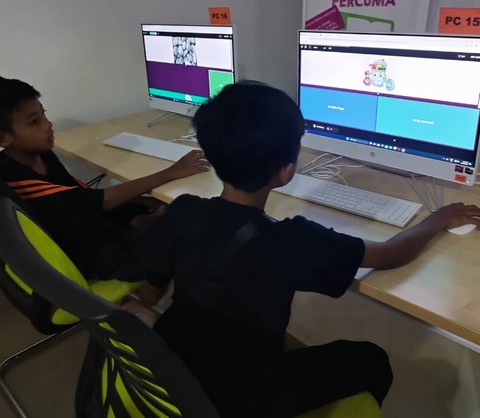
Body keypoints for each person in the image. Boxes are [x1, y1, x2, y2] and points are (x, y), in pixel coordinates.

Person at [137, 81, 480, 417]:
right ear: (286, 171)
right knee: (370, 359)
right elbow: (391, 255)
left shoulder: (183, 210)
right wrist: (438, 219)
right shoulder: (292, 240)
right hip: (240, 398)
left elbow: (150, 293)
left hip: (169, 368)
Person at [0, 76, 210, 294]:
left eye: (43, 114)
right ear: (3, 138)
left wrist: (141, 200)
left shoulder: (40, 155)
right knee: (182, 218)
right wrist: (170, 172)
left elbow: (78, 197)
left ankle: (138, 225)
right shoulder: (19, 181)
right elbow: (101, 201)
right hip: (91, 256)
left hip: (85, 227)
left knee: (156, 207)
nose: (47, 124)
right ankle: (152, 292)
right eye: (34, 122)